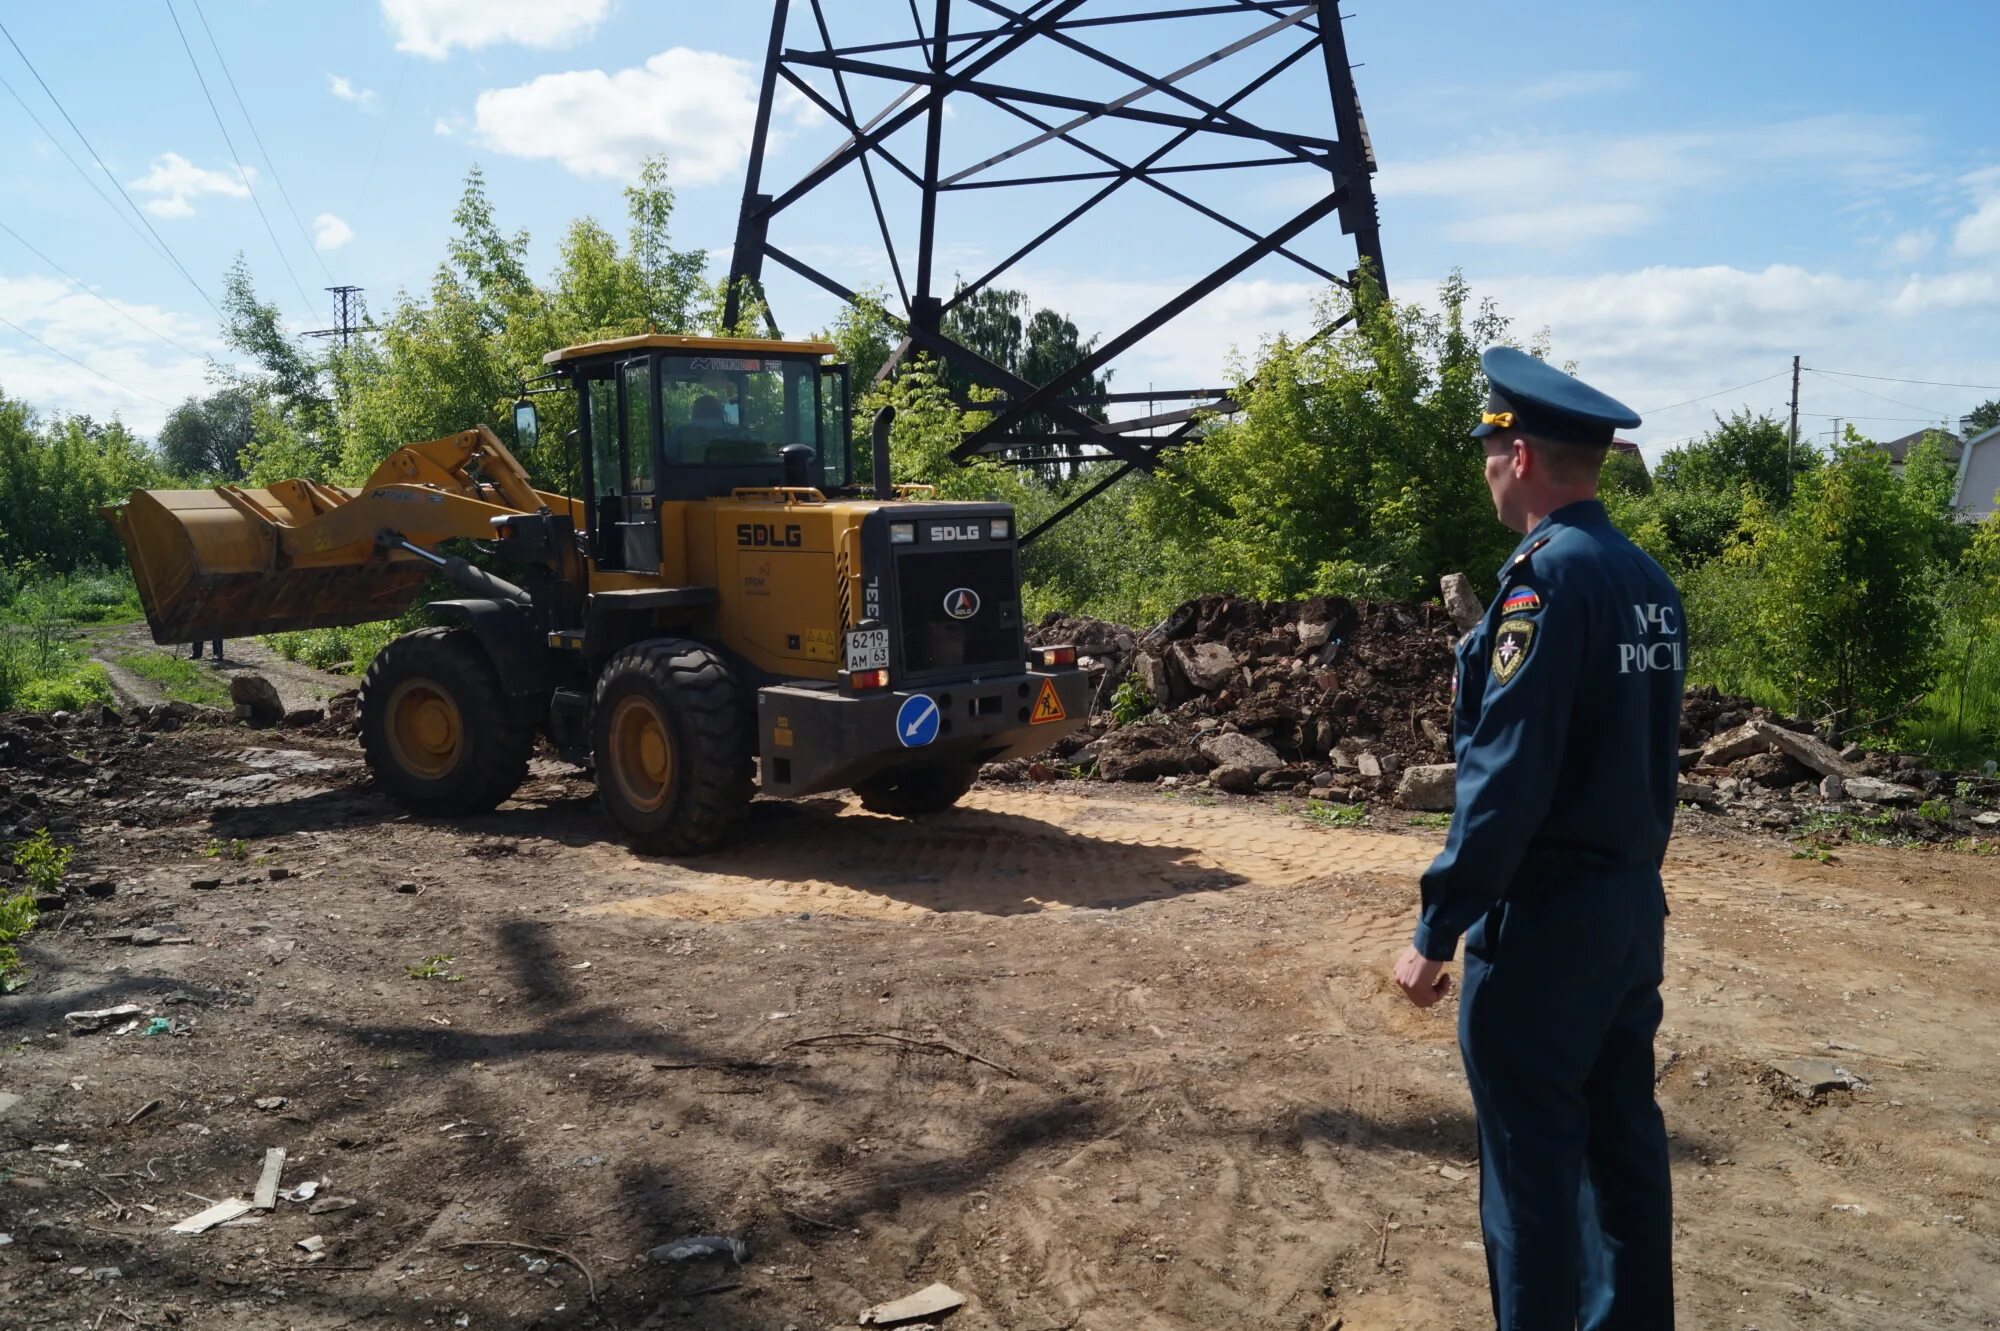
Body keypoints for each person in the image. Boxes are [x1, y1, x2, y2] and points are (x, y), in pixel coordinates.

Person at [1393, 346, 1683, 1329]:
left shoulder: (1542, 585)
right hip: (1626, 915)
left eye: (1487, 445)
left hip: (1546, 926)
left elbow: (1504, 778)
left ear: (1516, 453)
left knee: (1529, 1180)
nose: (1483, 464)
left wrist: (1437, 926)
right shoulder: (1643, 578)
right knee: (1622, 1160)